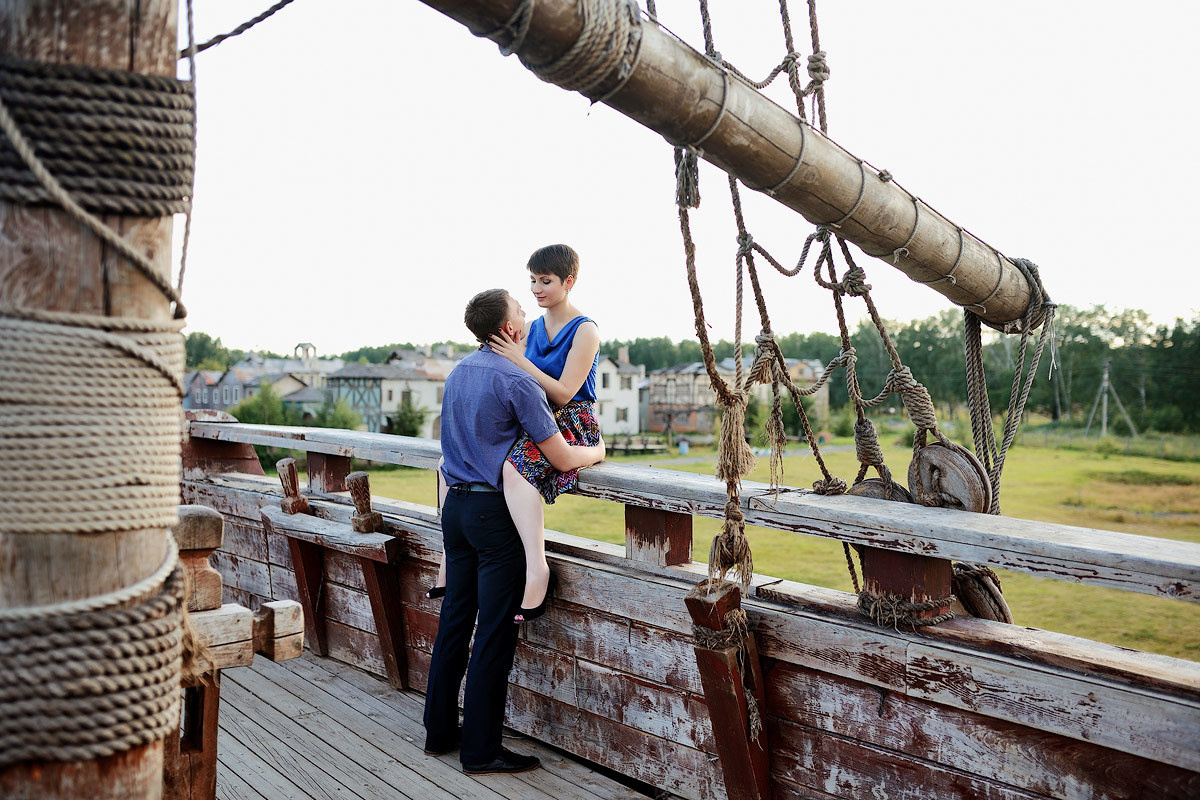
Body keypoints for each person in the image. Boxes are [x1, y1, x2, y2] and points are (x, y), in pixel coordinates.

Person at [423, 288, 604, 774]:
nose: (527, 312)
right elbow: (562, 457)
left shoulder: (460, 371)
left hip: (455, 512)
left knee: (456, 620)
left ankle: (439, 732)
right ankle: (481, 751)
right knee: (494, 634)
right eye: (520, 310)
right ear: (509, 329)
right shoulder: (516, 381)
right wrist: (597, 452)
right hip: (490, 517)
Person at [428, 244, 601, 623]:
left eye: (546, 281)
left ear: (568, 282)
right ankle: (447, 555)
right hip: (534, 417)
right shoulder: (534, 328)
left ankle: (536, 568)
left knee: (513, 467)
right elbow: (518, 384)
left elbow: (564, 392)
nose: (537, 289)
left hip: (570, 422)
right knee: (449, 461)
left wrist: (518, 359)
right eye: (533, 281)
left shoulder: (585, 329)